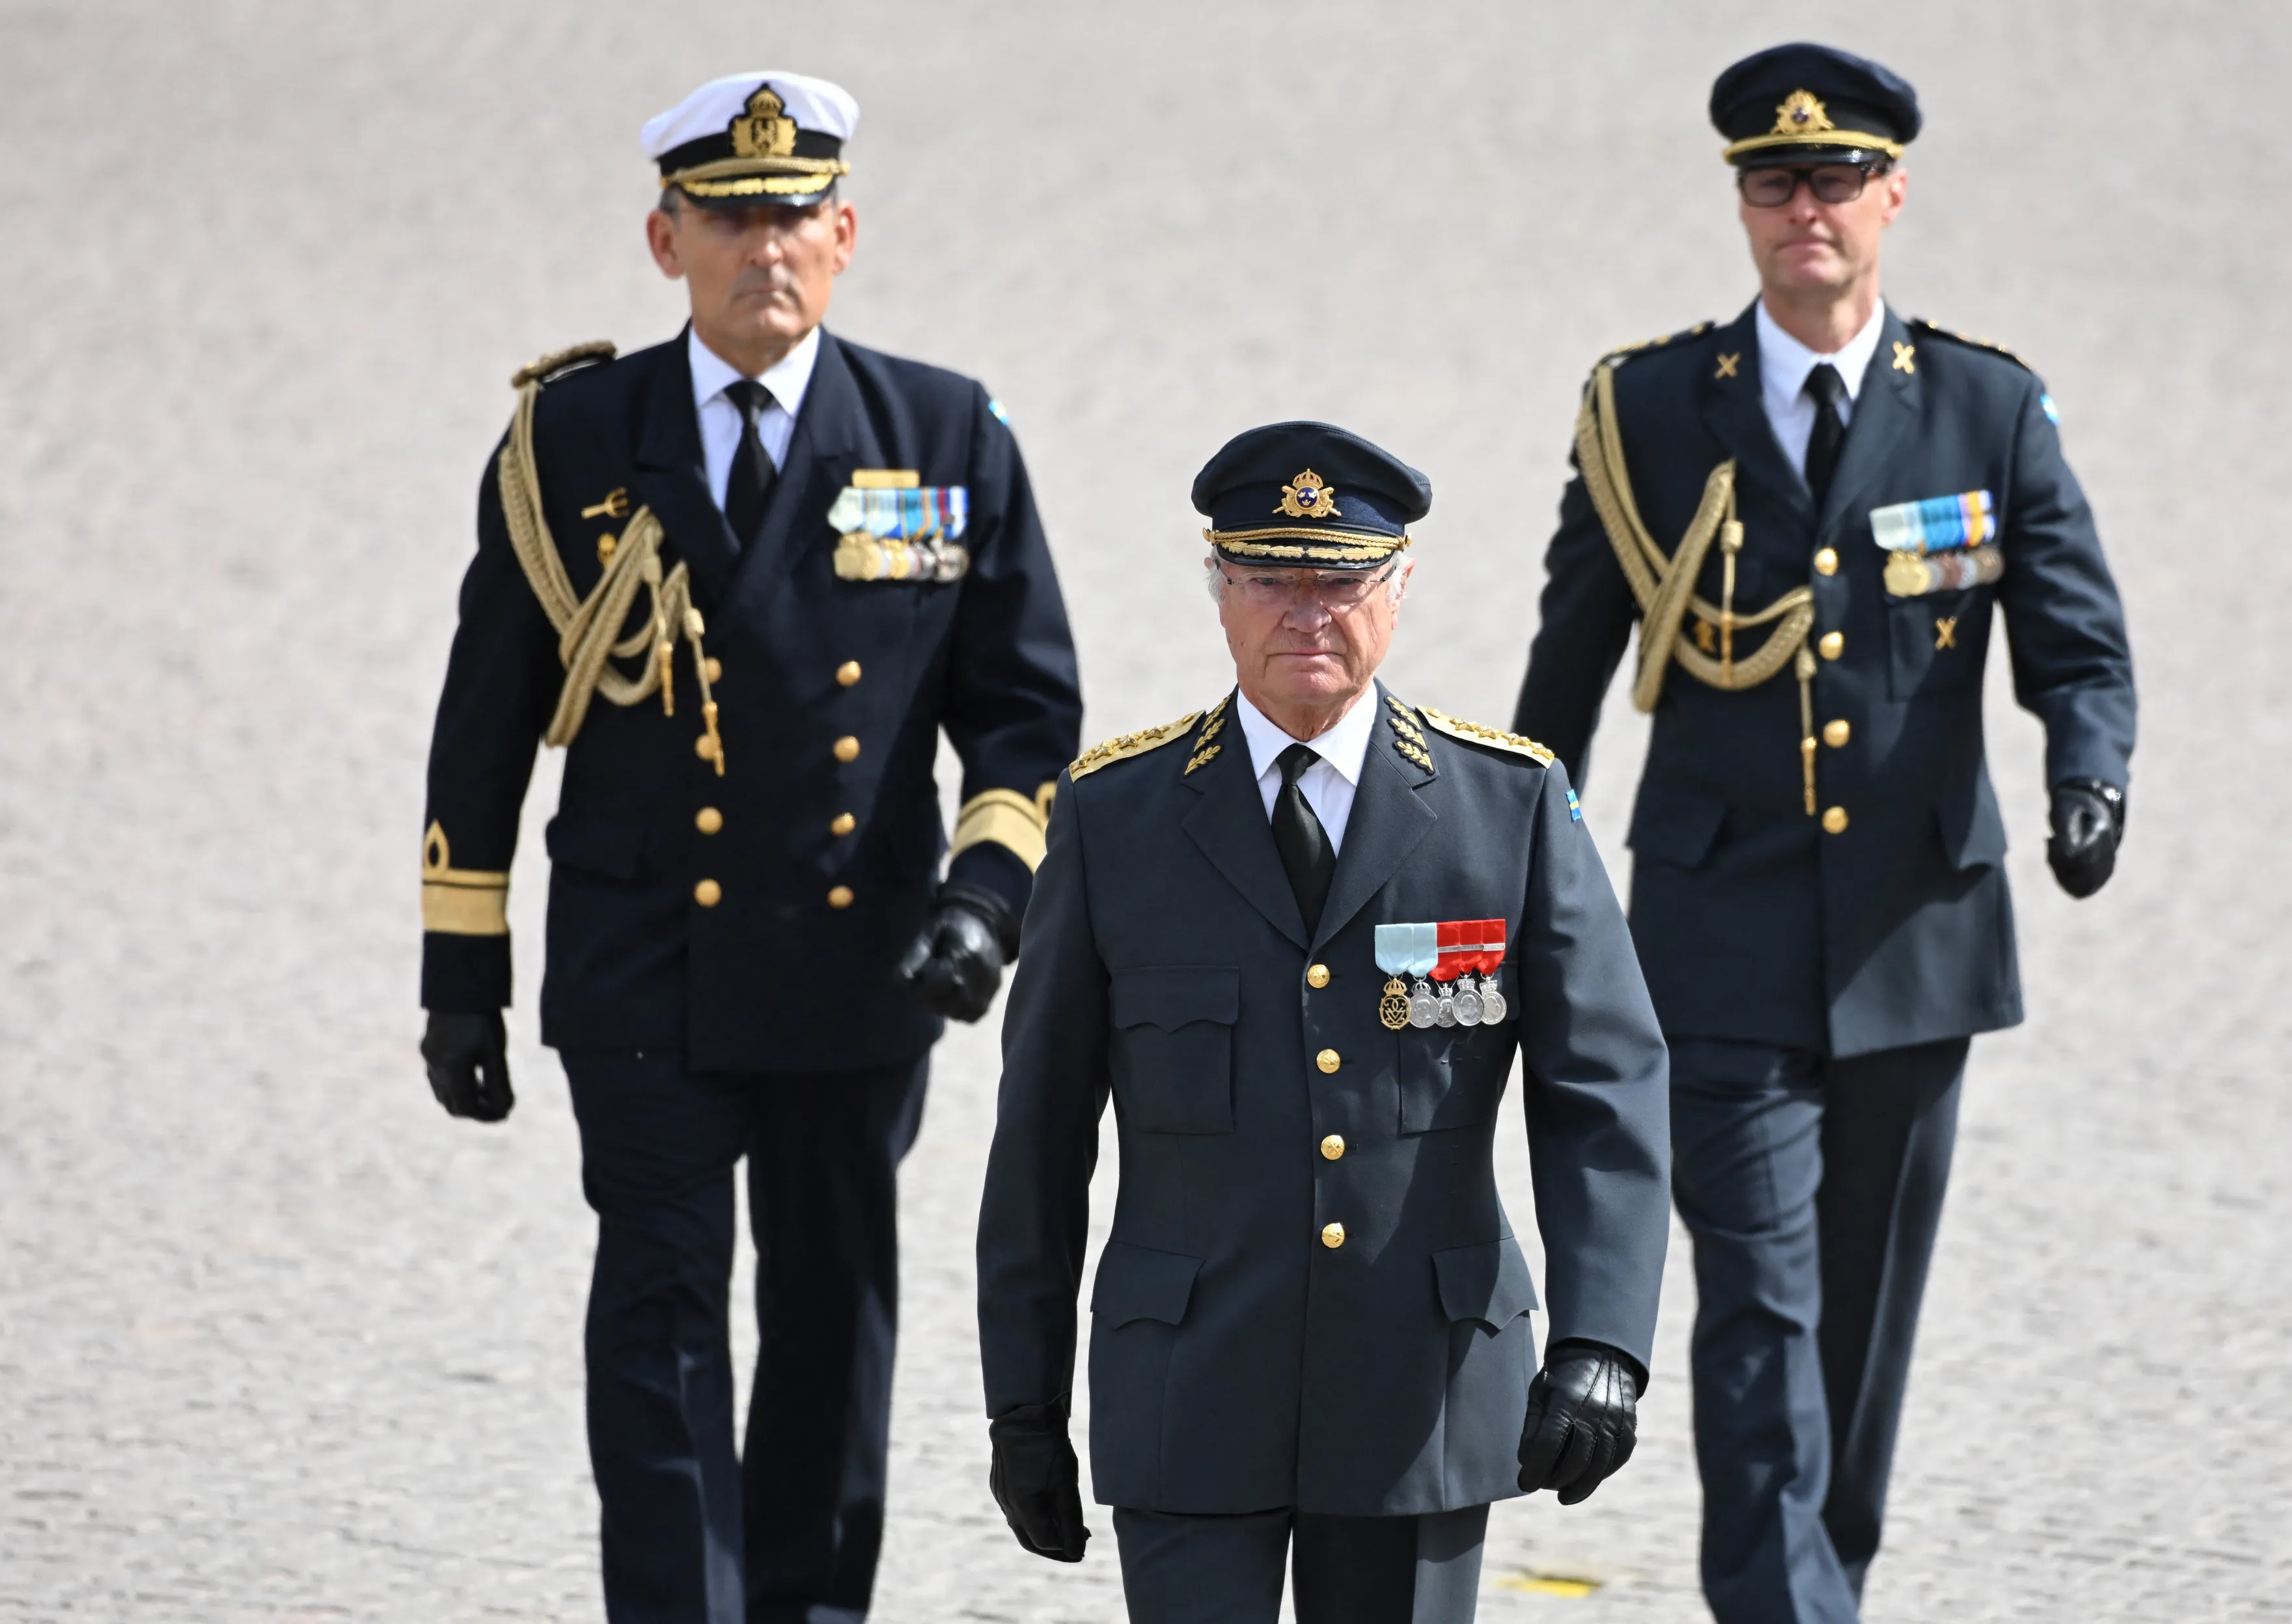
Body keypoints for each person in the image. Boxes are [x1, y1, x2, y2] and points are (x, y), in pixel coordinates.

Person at [414, 72, 1081, 1624]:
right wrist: (463, 965)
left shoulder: (944, 431)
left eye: (793, 217)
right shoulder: (570, 440)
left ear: (846, 235)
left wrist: (985, 898)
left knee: (833, 1318)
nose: (762, 246)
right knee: (655, 1307)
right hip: (642, 962)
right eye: (728, 217)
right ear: (665, 241)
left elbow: (1026, 709)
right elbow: (485, 721)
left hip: (859, 964)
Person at [1510, 41, 2137, 1624]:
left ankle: (1823, 1581)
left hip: (1915, 937)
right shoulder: (1652, 406)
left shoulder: (1985, 407)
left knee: (1861, 1324)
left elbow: (2075, 630)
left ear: (1892, 198)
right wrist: (1531, 851)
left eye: (1838, 180)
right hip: (1716, 935)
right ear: (1740, 205)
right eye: (1777, 183)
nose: (1808, 207)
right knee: (1758, 1317)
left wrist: (2090, 770)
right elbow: (1568, 666)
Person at [975, 422, 1674, 1624]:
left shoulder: (1503, 809)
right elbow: (1040, 1135)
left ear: (1399, 588)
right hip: (1186, 1381)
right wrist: (1022, 1402)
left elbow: (1604, 1088)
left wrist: (1605, 1339)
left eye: (1341, 578)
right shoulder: (1115, 817)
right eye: (1270, 579)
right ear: (1218, 591)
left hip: (1421, 1388)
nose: (1308, 612)